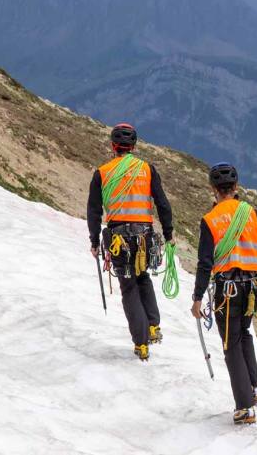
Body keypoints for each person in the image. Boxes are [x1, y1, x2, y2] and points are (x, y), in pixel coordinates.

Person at [191, 162, 257, 425]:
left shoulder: (210, 220)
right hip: (253, 288)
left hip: (227, 289)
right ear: (236, 187)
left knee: (230, 344)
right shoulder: (252, 213)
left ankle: (245, 406)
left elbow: (205, 262)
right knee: (243, 333)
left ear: (213, 189)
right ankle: (254, 387)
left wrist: (198, 297)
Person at [87, 123, 174, 361]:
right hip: (144, 236)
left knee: (128, 286)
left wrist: (94, 240)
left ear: (113, 146)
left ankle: (141, 342)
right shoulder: (147, 169)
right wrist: (169, 234)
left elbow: (94, 210)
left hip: (118, 238)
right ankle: (153, 325)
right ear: (134, 146)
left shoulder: (103, 172)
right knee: (142, 275)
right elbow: (162, 204)